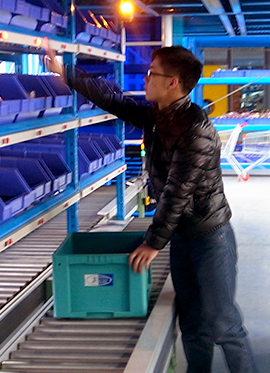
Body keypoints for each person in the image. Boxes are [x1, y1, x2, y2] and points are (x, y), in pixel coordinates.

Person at [45, 44, 257, 373]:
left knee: (222, 323)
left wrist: (153, 241)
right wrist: (66, 72)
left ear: (172, 82)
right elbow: (113, 100)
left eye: (150, 73)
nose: (145, 79)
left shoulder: (196, 130)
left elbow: (178, 191)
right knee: (192, 324)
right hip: (183, 237)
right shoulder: (158, 116)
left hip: (210, 236)